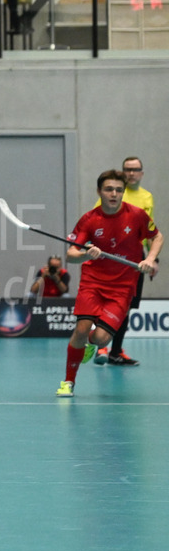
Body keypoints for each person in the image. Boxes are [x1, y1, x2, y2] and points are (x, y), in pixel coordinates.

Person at [56, 170, 162, 398]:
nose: (114, 194)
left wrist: (150, 259)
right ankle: (68, 382)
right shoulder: (89, 220)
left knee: (102, 338)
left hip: (123, 287)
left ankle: (90, 344)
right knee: (81, 329)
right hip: (93, 283)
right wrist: (87, 255)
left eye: (118, 190)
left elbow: (157, 237)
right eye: (108, 189)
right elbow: (70, 254)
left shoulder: (137, 216)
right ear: (99, 191)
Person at [94, 156, 156, 365]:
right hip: (111, 257)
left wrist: (151, 258)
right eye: (127, 169)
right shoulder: (114, 193)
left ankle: (115, 351)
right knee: (106, 301)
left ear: (141, 173)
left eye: (135, 169)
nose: (131, 173)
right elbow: (96, 220)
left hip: (135, 260)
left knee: (127, 306)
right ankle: (100, 346)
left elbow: (148, 233)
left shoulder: (147, 197)